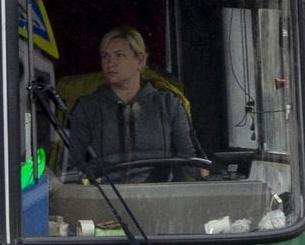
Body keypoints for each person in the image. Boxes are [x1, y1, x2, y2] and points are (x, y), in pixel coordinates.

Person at [66, 27, 207, 181]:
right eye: (105, 56)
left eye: (119, 55)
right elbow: (73, 165)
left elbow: (189, 159)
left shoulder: (169, 104)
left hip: (160, 197)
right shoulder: (87, 107)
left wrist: (201, 173)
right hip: (106, 198)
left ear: (140, 60)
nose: (110, 63)